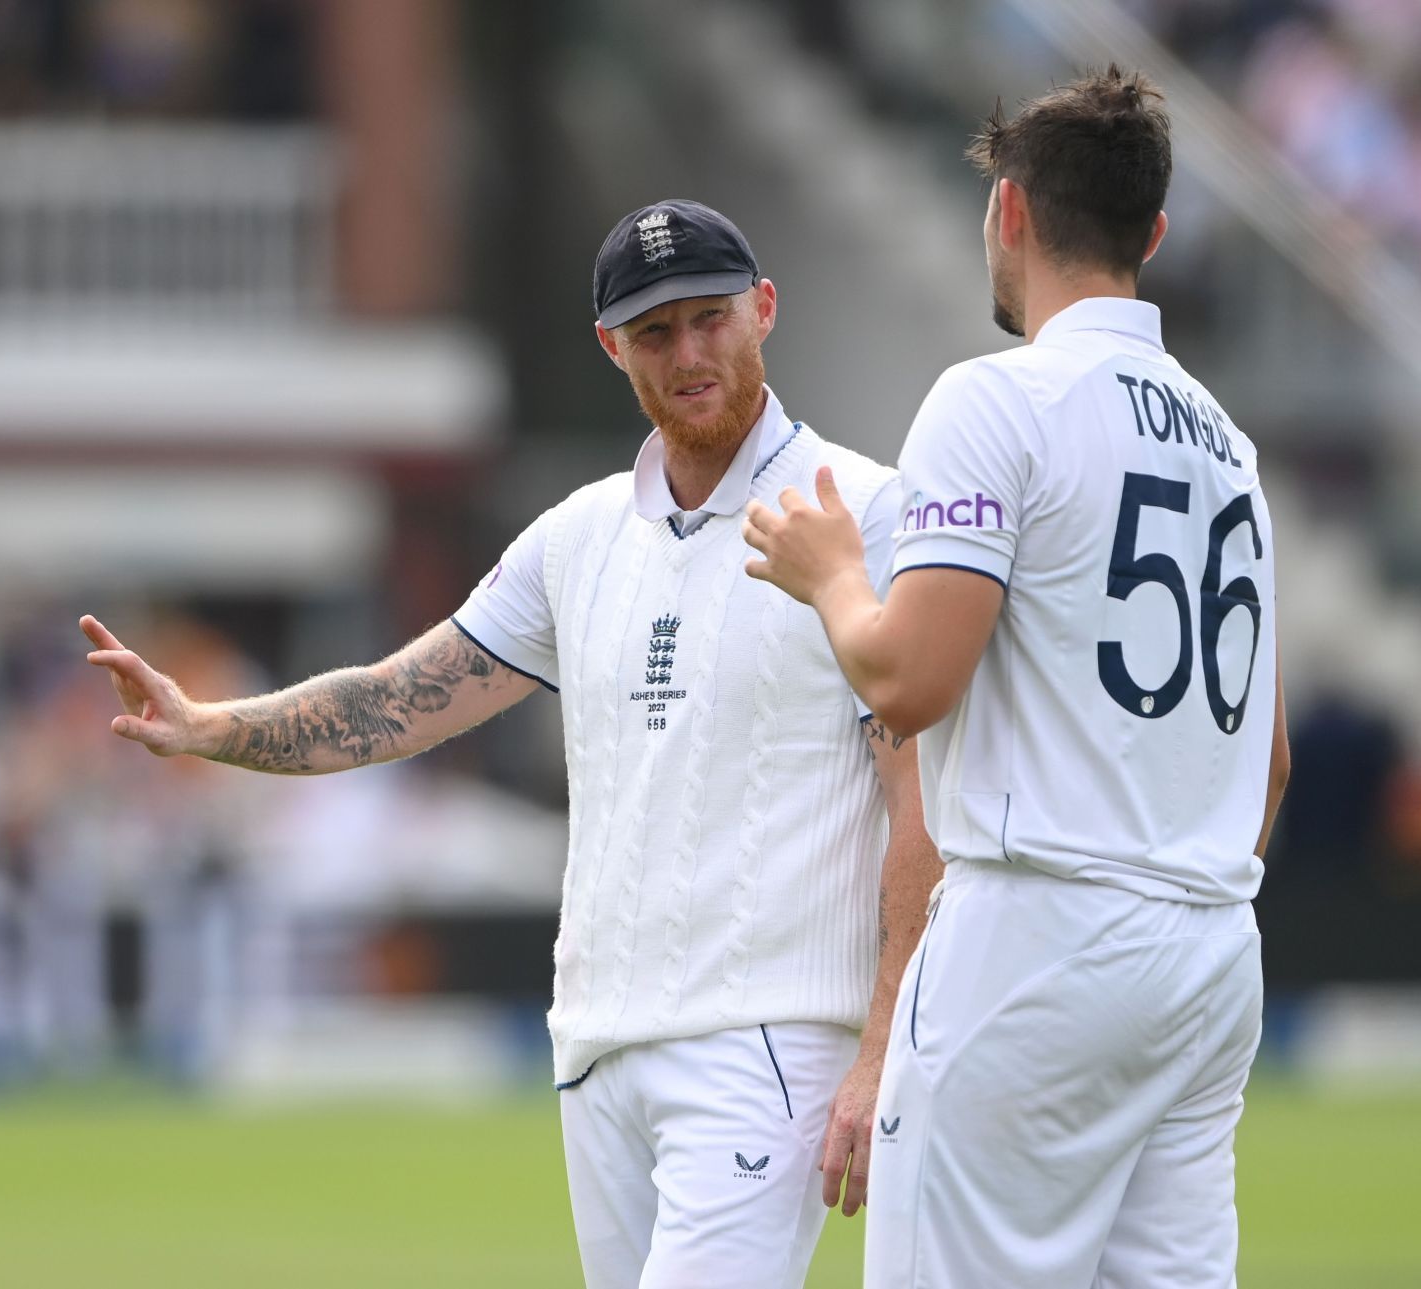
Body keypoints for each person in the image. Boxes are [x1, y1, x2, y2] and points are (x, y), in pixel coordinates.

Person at [80, 198, 942, 1289]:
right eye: (655, 332)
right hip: (597, 1046)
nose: (689, 354)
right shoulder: (578, 535)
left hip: (768, 1039)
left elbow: (923, 794)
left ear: (763, 310)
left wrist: (881, 1046)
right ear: (611, 347)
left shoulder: (860, 510)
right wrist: (212, 726)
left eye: (711, 319)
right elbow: (397, 698)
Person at [742, 70, 1291, 1287]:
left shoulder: (995, 398)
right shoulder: (1230, 448)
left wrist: (832, 572)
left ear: (1009, 216)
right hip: (1211, 948)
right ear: (1151, 233)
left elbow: (909, 682)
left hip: (1041, 940)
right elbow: (1271, 759)